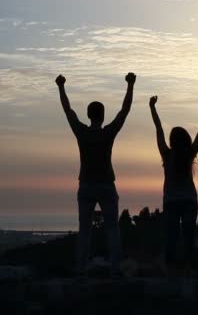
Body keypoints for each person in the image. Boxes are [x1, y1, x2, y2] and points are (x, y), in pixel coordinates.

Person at [56, 73, 136, 277]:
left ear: (89, 115)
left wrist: (61, 87)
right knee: (112, 229)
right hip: (107, 185)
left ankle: (81, 268)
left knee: (85, 230)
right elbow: (124, 111)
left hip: (86, 185)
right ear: (102, 116)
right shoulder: (108, 133)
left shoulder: (81, 132)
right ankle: (115, 268)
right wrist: (130, 85)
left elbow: (68, 110)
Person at [149, 95, 198, 275]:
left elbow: (158, 128)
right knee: (188, 236)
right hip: (189, 200)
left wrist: (152, 107)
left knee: (171, 237)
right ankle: (188, 267)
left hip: (171, 201)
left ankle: (170, 268)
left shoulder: (167, 155)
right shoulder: (190, 154)